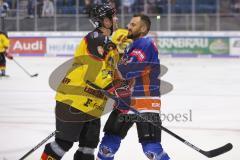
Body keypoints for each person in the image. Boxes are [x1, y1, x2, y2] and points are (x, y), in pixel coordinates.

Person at [41, 3, 119, 160]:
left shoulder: (109, 45)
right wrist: (116, 91)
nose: (116, 19)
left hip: (93, 104)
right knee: (62, 145)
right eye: (113, 16)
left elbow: (111, 73)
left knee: (88, 148)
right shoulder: (95, 38)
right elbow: (94, 72)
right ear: (106, 21)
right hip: (74, 101)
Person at [97, 14, 171, 160]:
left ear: (143, 28)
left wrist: (112, 57)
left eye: (133, 24)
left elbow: (127, 71)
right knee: (107, 147)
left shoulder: (145, 43)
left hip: (146, 100)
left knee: (152, 150)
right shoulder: (130, 46)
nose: (128, 27)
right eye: (129, 24)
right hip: (125, 100)